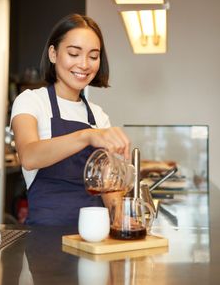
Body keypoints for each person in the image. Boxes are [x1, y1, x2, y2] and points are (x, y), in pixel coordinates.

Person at [11, 13, 130, 227]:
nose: (84, 64)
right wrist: (87, 136)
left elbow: (108, 185)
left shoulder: (98, 115)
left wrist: (120, 219)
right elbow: (29, 156)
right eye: (74, 53)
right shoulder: (31, 101)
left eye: (93, 56)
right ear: (53, 54)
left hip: (94, 238)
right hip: (45, 241)